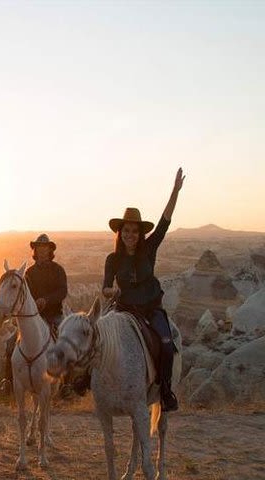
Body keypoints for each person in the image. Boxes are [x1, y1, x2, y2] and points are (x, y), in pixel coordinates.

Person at [102, 168, 185, 412]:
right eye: (126, 231)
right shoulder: (113, 259)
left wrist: (175, 191)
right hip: (124, 309)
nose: (130, 235)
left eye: (134, 231)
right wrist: (110, 293)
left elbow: (165, 221)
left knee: (167, 343)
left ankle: (165, 390)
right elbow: (106, 286)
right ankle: (93, 384)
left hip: (150, 308)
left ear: (140, 233)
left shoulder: (149, 248)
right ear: (120, 233)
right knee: (98, 339)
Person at [0, 234, 68, 395]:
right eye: (39, 248)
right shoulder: (28, 273)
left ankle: (66, 384)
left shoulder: (58, 270)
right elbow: (23, 295)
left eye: (45, 248)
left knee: (65, 342)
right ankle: (8, 380)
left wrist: (47, 300)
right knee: (10, 344)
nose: (42, 251)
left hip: (53, 315)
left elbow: (62, 291)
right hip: (33, 317)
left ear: (50, 250)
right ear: (35, 250)